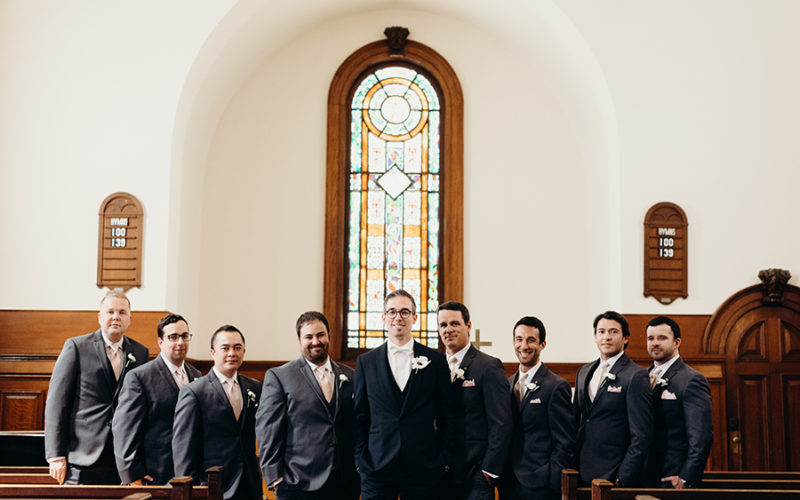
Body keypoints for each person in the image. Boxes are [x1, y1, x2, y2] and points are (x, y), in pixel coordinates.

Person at [353, 289, 456, 500]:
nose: (398, 317)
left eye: (404, 312)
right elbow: (360, 417)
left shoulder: (435, 362)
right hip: (377, 467)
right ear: (383, 318)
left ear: (414, 318)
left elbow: (448, 416)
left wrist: (442, 458)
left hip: (424, 467)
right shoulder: (366, 362)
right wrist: (361, 461)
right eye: (391, 312)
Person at [44, 290, 149, 484]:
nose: (116, 317)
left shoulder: (140, 353)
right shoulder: (76, 347)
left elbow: (142, 409)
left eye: (122, 312)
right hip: (82, 455)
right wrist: (56, 455)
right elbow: (56, 403)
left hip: (122, 459)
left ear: (129, 319)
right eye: (110, 312)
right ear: (100, 317)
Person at [256, 311, 359, 500]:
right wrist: (275, 479)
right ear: (299, 339)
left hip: (345, 481)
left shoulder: (351, 375)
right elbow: (268, 429)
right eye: (308, 337)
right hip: (298, 482)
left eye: (320, 335)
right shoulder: (280, 376)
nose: (315, 341)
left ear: (329, 335)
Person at [172, 325, 262, 500]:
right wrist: (190, 490)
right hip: (213, 485)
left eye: (237, 348)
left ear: (244, 351)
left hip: (249, 484)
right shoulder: (194, 392)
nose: (232, 353)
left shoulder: (255, 387)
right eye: (225, 348)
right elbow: (183, 448)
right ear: (213, 352)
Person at [112, 313, 202, 485]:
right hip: (155, 474)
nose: (180, 342)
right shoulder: (140, 377)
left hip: (191, 475)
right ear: (161, 342)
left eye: (184, 336)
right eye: (173, 337)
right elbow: (124, 431)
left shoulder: (196, 375)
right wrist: (133, 476)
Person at [437, 301, 511, 500]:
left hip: (475, 474)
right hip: (440, 475)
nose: (449, 330)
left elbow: (501, 423)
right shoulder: (435, 367)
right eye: (443, 325)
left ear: (468, 326)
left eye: (454, 323)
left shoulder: (488, 366)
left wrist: (489, 470)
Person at [574, 311, 652, 487]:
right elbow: (577, 420)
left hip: (614, 473)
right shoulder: (584, 371)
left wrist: (623, 476)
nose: (606, 337)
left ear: (625, 338)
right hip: (581, 470)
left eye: (613, 332)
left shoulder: (636, 375)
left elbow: (641, 435)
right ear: (595, 336)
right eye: (601, 332)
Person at [500, 316, 576, 500]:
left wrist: (552, 480)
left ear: (543, 344)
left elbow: (564, 442)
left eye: (531, 340)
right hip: (508, 481)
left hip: (540, 484)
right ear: (513, 342)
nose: (524, 346)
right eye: (519, 339)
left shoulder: (556, 386)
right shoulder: (506, 384)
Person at [644, 316, 713, 488]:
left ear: (677, 342)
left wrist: (685, 477)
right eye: (651, 338)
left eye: (662, 338)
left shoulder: (691, 380)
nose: (655, 343)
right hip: (644, 473)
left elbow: (701, 437)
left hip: (672, 476)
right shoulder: (642, 377)